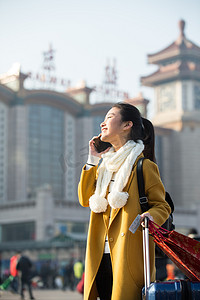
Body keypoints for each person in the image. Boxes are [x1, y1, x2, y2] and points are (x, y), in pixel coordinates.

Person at [78, 102, 171, 300]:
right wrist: (92, 159)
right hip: (99, 256)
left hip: (127, 256)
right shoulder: (103, 167)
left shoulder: (143, 166)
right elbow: (85, 199)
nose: (102, 124)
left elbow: (162, 206)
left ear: (127, 125)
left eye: (109, 118)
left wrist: (150, 216)